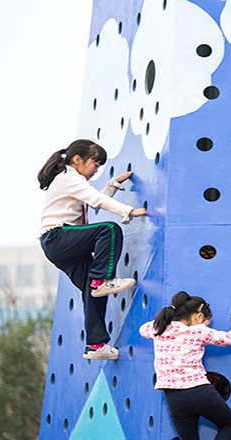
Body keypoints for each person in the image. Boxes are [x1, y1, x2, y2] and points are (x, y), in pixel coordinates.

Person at [38, 139, 146, 360]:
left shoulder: (71, 180)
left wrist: (112, 185)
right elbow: (95, 199)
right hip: (57, 237)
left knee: (93, 292)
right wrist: (129, 211)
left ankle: (96, 345)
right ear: (77, 160)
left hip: (60, 245)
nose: (96, 171)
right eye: (95, 164)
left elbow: (91, 200)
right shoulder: (69, 177)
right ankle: (102, 279)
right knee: (109, 229)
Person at [140, 291, 231, 440]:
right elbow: (229, 339)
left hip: (173, 398)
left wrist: (164, 321)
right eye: (206, 322)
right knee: (228, 425)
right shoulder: (198, 331)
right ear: (199, 317)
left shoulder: (159, 328)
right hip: (199, 391)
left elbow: (143, 330)